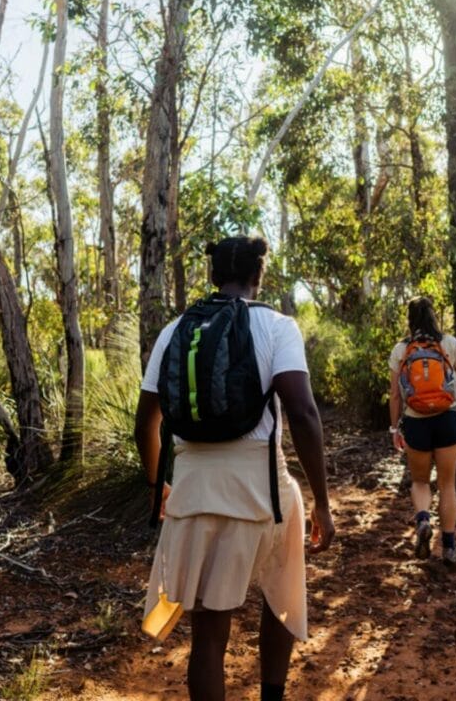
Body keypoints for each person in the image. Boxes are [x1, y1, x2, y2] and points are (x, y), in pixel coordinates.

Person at [135, 236, 335, 701]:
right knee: (280, 598)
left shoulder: (174, 331)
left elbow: (145, 424)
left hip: (193, 493)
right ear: (256, 276)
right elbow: (303, 413)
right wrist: (322, 503)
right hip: (261, 492)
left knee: (208, 635)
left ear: (213, 276)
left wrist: (158, 485)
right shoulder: (278, 327)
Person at [388, 296, 456, 564]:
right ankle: (449, 547)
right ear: (433, 316)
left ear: (410, 319)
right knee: (447, 484)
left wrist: (394, 428)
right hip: (448, 419)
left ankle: (423, 520)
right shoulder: (449, 343)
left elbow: (395, 396)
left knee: (420, 481)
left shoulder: (401, 350)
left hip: (416, 421)